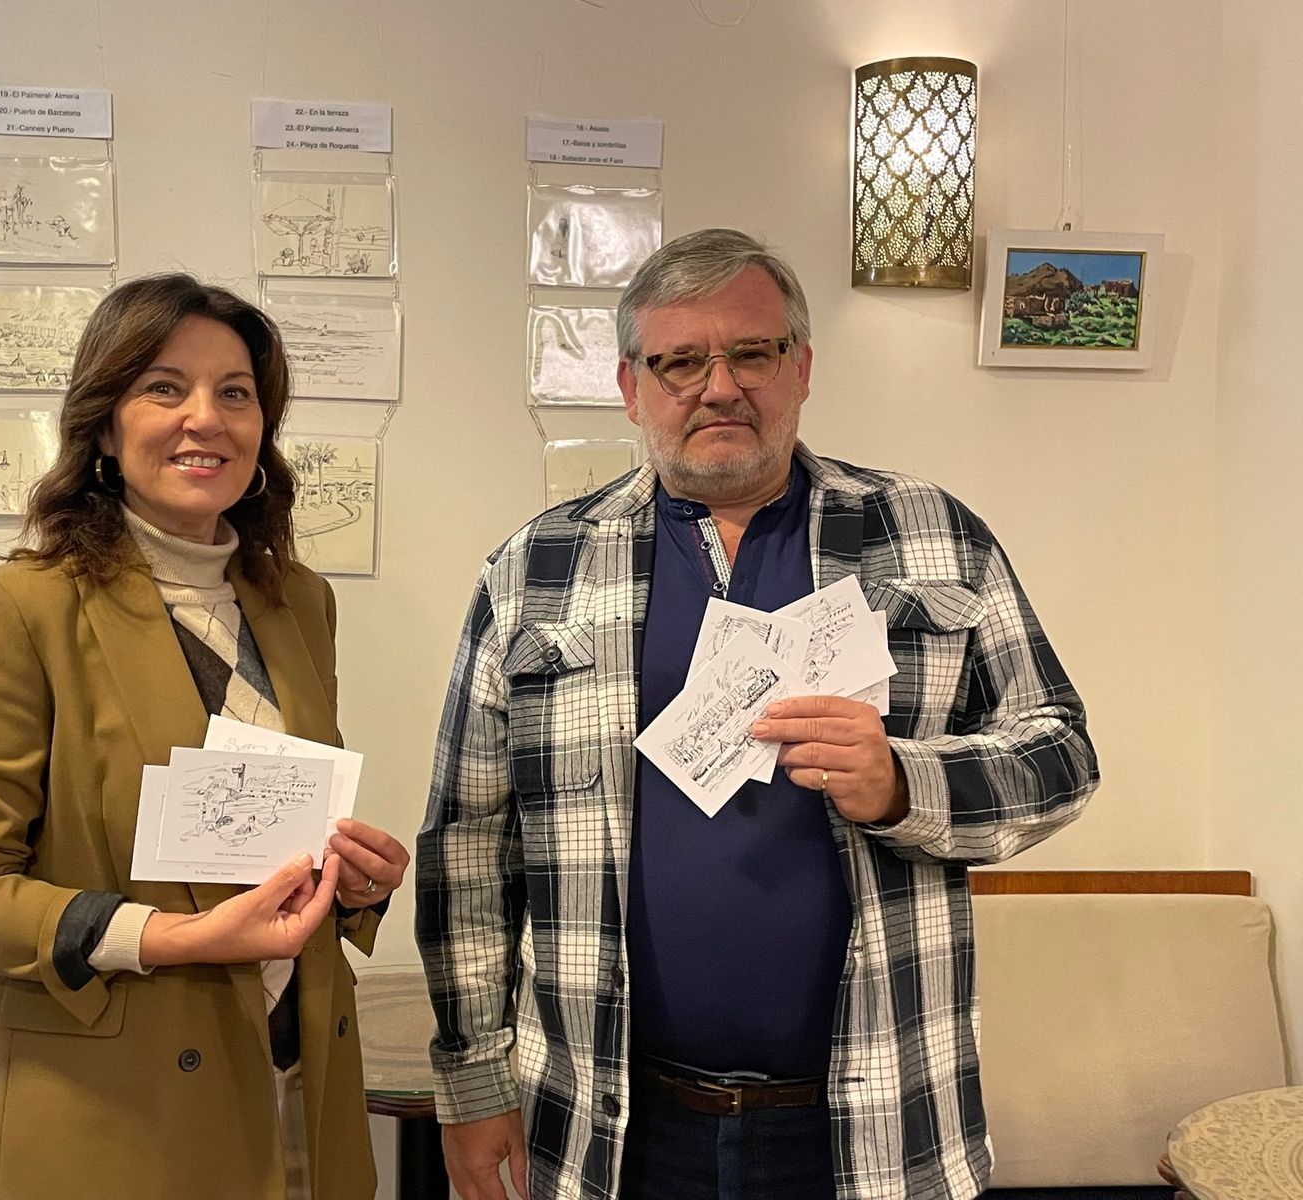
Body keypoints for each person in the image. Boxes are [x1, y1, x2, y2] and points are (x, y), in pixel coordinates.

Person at [415, 229, 1099, 1200]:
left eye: (750, 352)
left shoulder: (930, 538)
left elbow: (1061, 753)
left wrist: (909, 782)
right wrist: (473, 1083)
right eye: (680, 361)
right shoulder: (535, 572)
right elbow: (467, 851)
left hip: (867, 1125)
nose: (719, 386)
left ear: (801, 367)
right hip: (611, 1127)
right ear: (631, 387)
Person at [0, 273, 409, 1200]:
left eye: (235, 392)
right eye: (163, 387)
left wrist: (348, 883)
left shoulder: (298, 601)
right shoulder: (26, 607)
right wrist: (178, 937)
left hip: (298, 1096)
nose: (205, 418)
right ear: (104, 424)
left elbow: (258, 827)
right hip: (118, 1121)